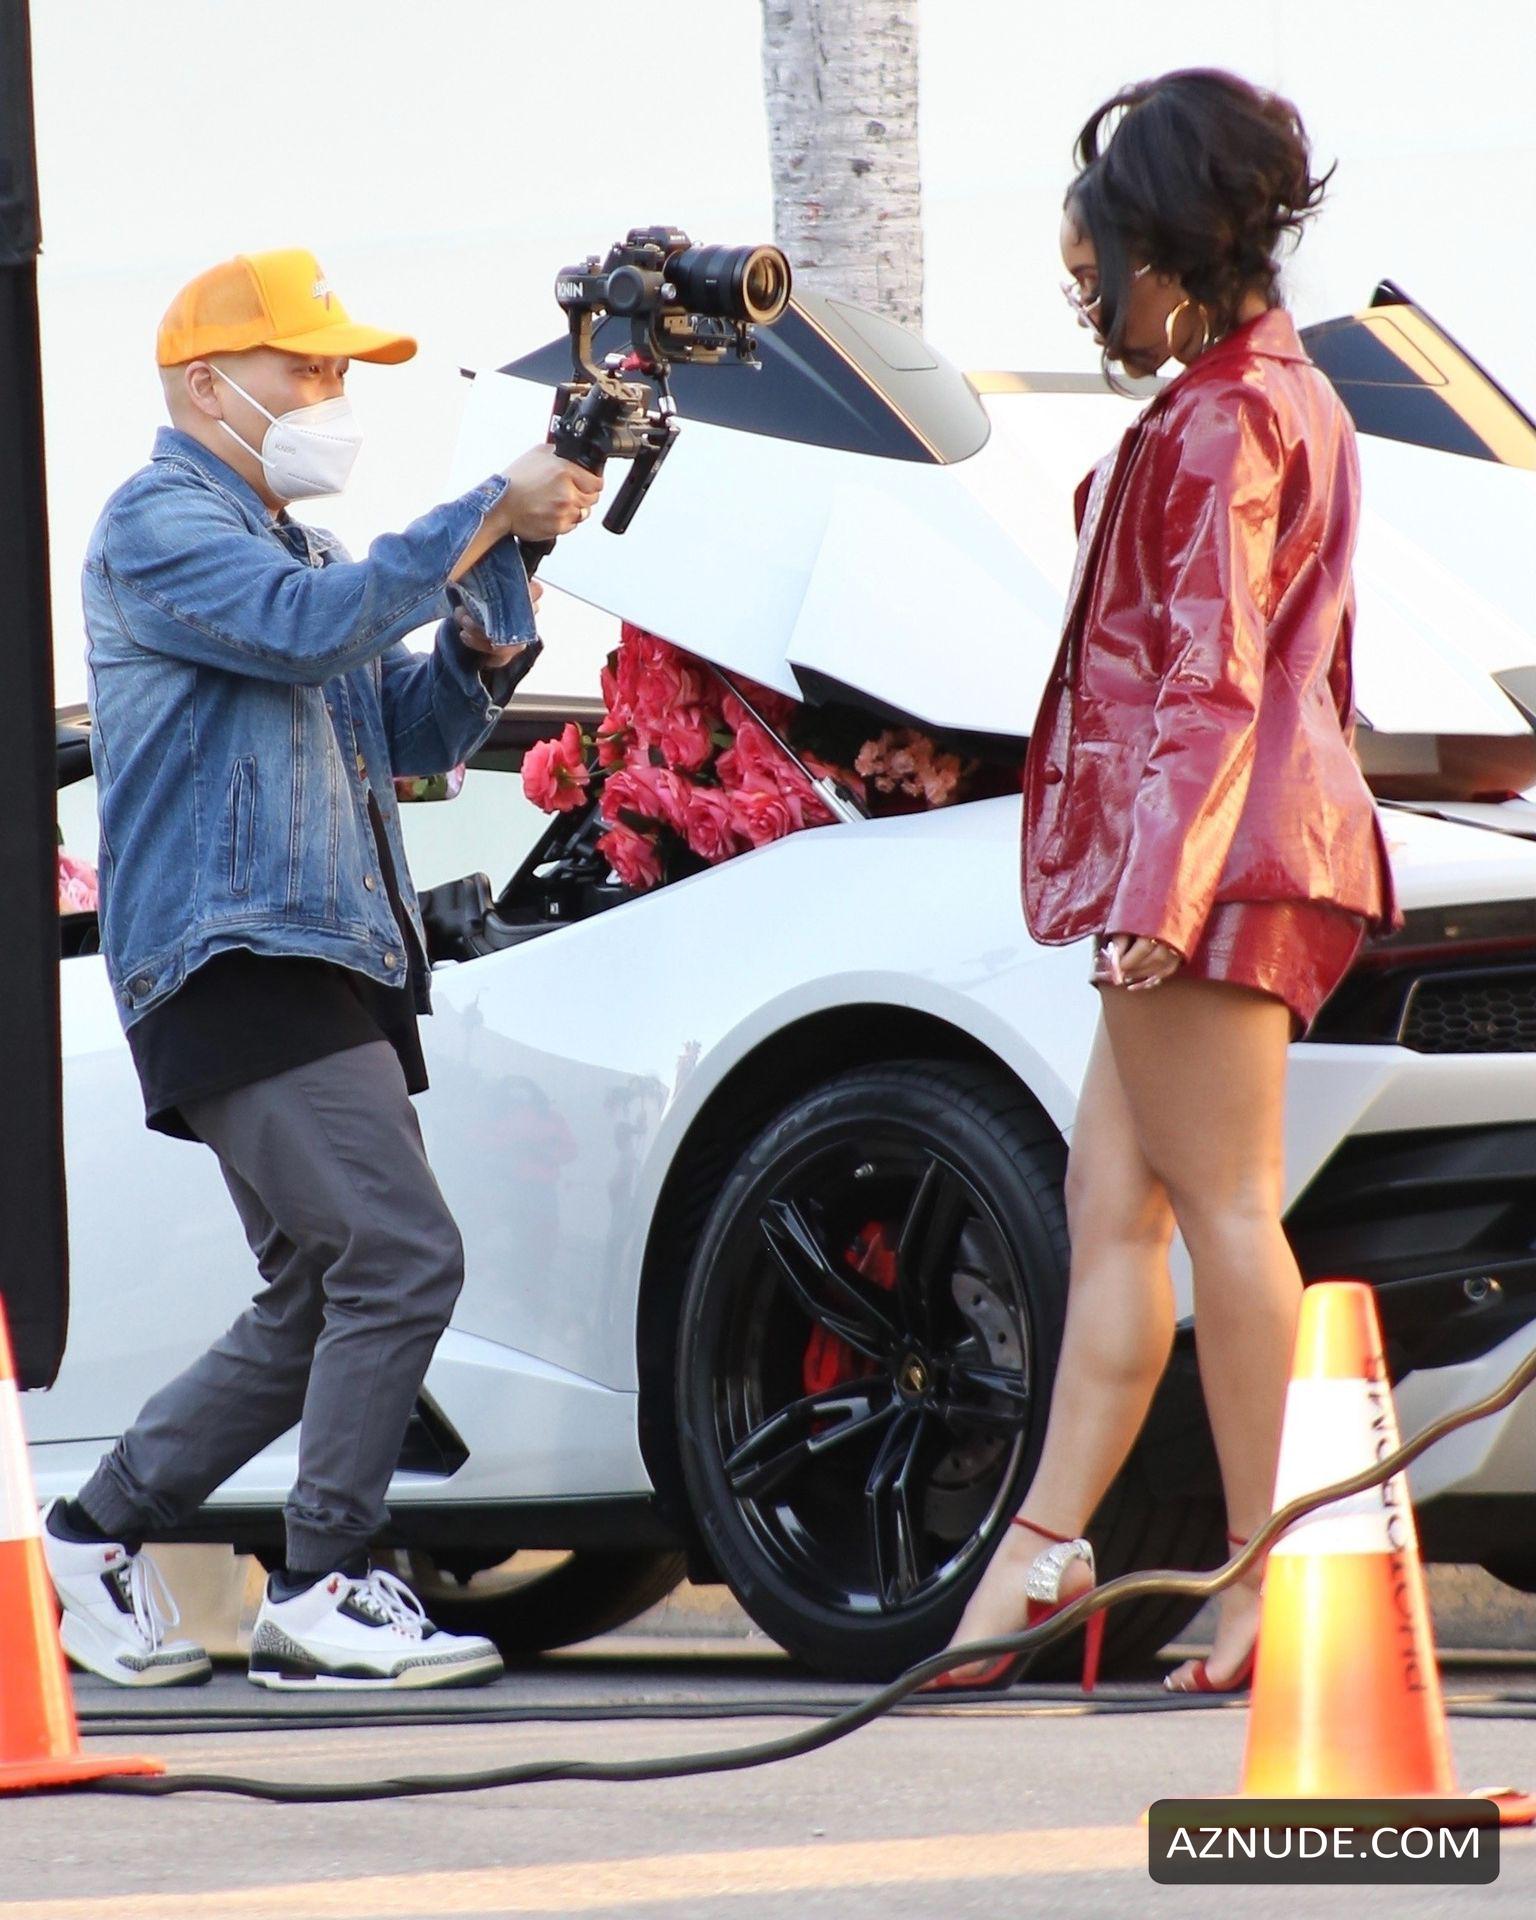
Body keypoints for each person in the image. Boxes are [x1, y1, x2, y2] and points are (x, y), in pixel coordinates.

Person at [43, 248, 601, 1689]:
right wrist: (483, 512)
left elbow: (406, 738)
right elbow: (309, 637)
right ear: (204, 385)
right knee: (401, 1258)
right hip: (237, 953)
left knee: (317, 1296)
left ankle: (92, 1537)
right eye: (303, 366)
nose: (329, 392)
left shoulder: (304, 552)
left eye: (338, 368)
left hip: (316, 955)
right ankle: (325, 1585)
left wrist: (492, 609)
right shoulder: (160, 525)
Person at [929, 70, 1403, 1695]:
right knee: (1115, 1207)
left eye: (1095, 276)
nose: (1089, 307)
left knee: (1219, 1209)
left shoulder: (1222, 418)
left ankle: (1272, 1578)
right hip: (1242, 844)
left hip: (1215, 854)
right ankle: (1042, 1552)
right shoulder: (1282, 397)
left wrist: (1159, 892)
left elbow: (1206, 680)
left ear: (1166, 250)